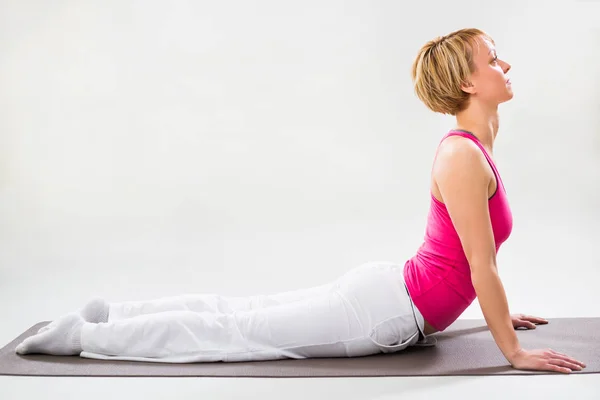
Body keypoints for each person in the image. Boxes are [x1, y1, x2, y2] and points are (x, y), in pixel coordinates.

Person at [16, 28, 586, 374]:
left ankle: (111, 316)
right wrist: (511, 351)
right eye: (493, 57)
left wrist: (490, 309)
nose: (504, 65)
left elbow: (464, 263)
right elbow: (479, 263)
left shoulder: (475, 148)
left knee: (238, 314)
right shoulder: (462, 155)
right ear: (467, 82)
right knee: (234, 334)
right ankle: (88, 335)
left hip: (388, 293)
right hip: (385, 312)